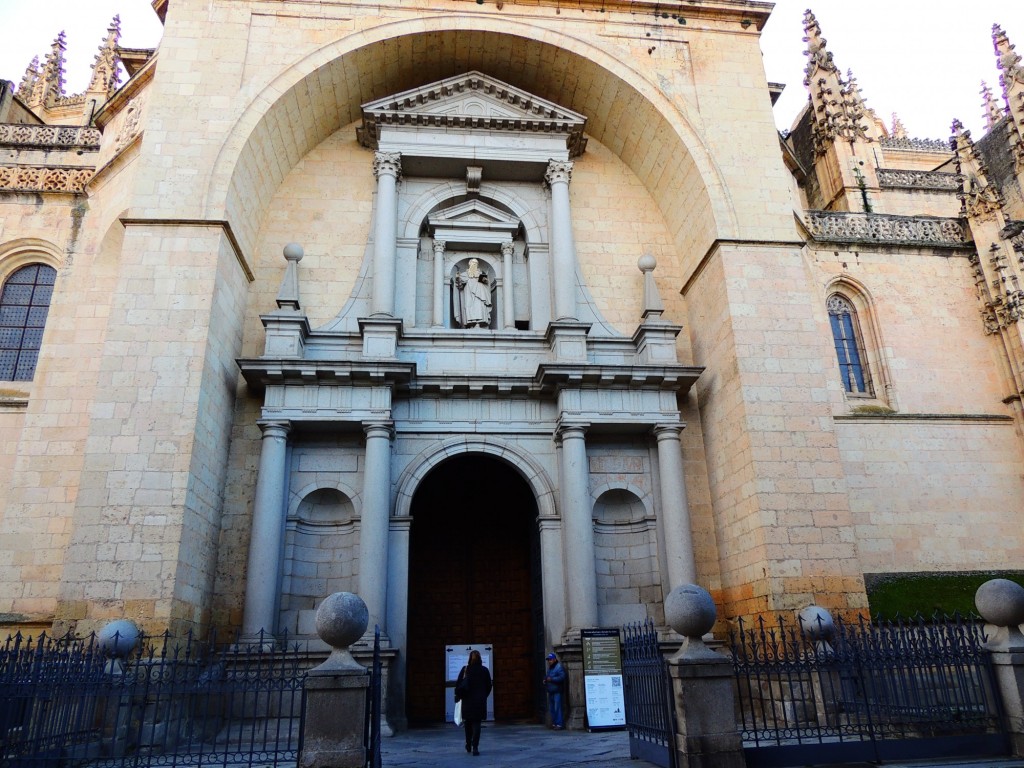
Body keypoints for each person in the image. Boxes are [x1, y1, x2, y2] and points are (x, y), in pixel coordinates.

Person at [455, 649, 492, 756]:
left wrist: (460, 695)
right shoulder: (484, 670)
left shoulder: (465, 669)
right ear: (480, 659)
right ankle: (475, 746)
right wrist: (484, 695)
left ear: (470, 659)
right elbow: (489, 686)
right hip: (479, 701)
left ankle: (468, 744)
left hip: (467, 701)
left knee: (468, 723)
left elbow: (458, 684)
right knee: (477, 724)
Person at [455, 258, 492, 327]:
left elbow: (486, 283)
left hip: (480, 294)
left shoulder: (481, 274)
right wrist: (458, 278)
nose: (474, 264)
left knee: (479, 307)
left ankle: (478, 323)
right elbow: (459, 285)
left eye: (476, 263)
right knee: (469, 306)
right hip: (468, 293)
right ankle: (471, 323)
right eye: (473, 262)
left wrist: (484, 279)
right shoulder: (464, 274)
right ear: (469, 264)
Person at [543, 652, 566, 729]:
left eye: (551, 659)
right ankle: (555, 723)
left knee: (557, 708)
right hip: (551, 691)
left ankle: (559, 724)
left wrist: (552, 679)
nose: (549, 661)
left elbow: (562, 677)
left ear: (555, 659)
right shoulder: (550, 668)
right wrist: (545, 679)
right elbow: (548, 676)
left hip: (557, 691)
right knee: (552, 709)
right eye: (549, 660)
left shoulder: (558, 667)